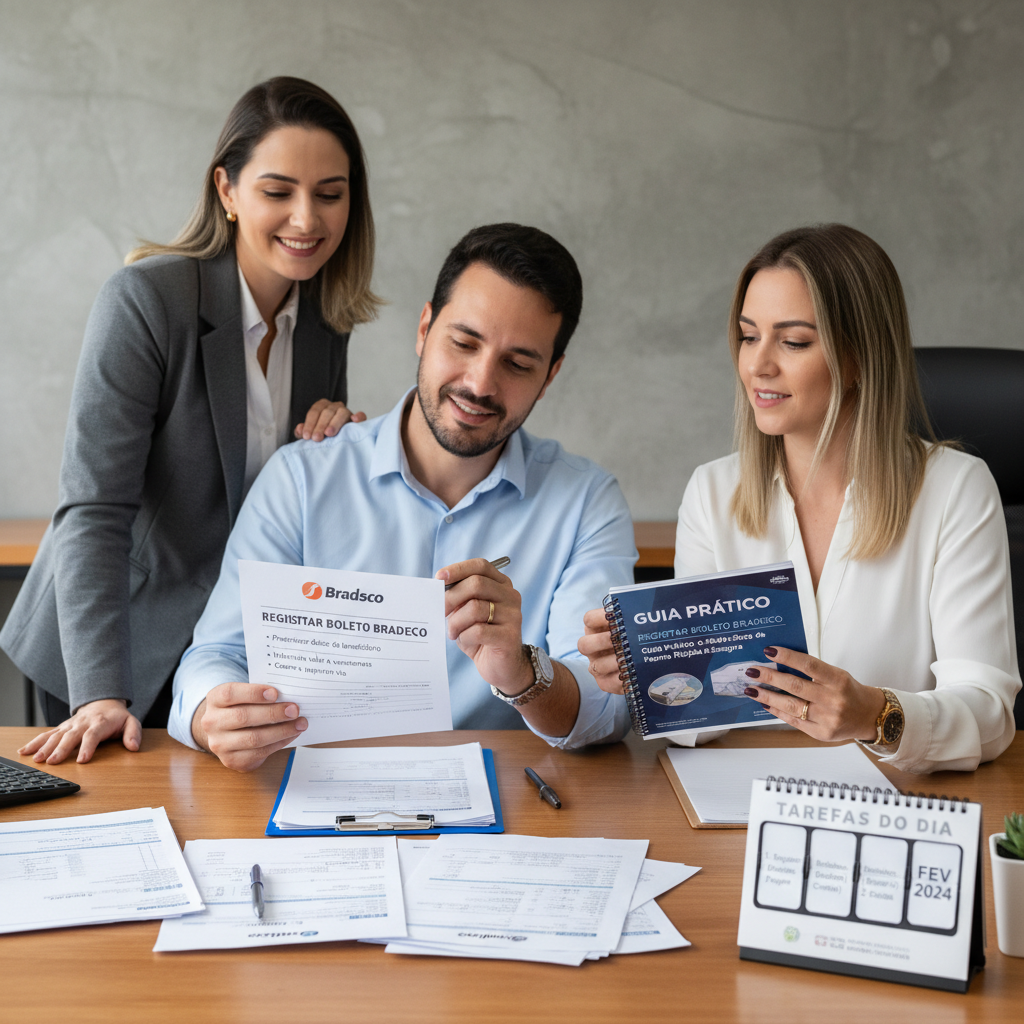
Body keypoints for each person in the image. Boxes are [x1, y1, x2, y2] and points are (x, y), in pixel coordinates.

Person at [1, 77, 381, 765]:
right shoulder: (146, 302)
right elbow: (93, 509)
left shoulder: (327, 323)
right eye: (278, 191)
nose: (307, 218)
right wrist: (98, 692)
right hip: (118, 642)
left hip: (225, 650)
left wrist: (335, 446)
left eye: (330, 193)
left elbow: (282, 501)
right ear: (228, 192)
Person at [168, 223, 636, 771]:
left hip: (505, 816)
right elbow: (217, 654)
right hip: (318, 798)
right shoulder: (301, 478)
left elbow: (604, 708)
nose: (481, 383)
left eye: (518, 363)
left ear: (550, 375)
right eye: (464, 343)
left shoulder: (587, 503)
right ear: (423, 329)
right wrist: (212, 714)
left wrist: (522, 673)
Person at [579, 224, 1020, 774]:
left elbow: (989, 714)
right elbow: (708, 715)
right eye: (747, 336)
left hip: (897, 807)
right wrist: (649, 672)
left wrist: (877, 715)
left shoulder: (955, 488)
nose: (757, 365)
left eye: (793, 341)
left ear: (860, 356)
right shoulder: (714, 492)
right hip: (745, 801)